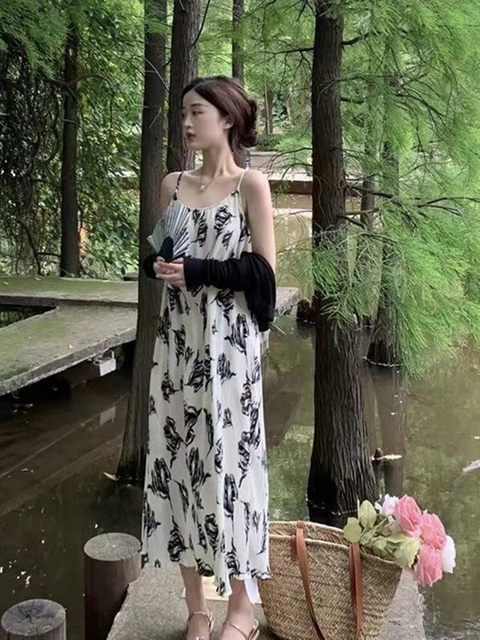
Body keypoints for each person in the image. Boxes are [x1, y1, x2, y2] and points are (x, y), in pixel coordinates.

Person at [141, 75, 276, 640]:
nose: (187, 123)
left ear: (227, 118)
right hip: (177, 345)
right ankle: (196, 609)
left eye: (196, 112)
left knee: (233, 468)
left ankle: (240, 608)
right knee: (179, 466)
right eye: (183, 114)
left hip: (228, 353)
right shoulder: (173, 184)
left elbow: (264, 274)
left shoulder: (250, 185)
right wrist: (161, 265)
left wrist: (198, 270)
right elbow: (161, 249)